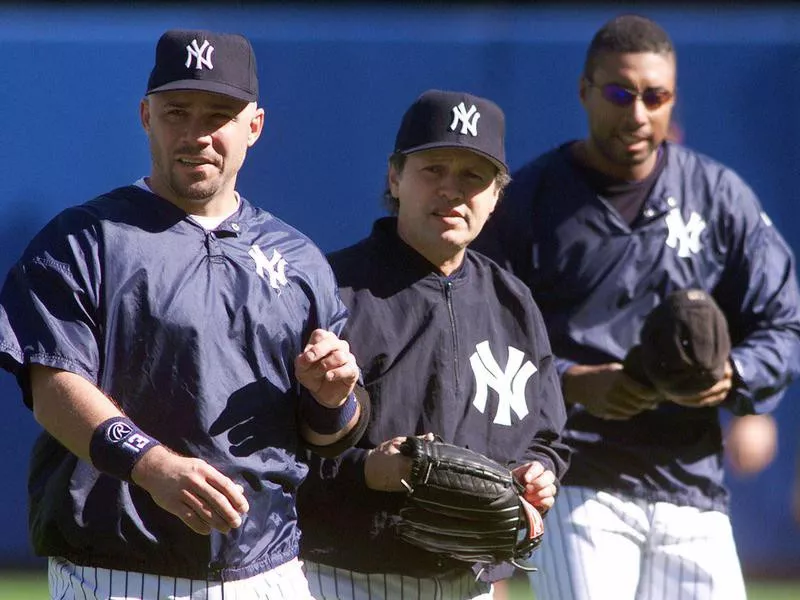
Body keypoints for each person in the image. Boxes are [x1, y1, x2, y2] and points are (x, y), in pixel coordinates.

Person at [0, 29, 369, 600]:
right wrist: (150, 465)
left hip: (269, 567)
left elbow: (328, 433)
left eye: (218, 114)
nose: (196, 134)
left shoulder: (298, 259)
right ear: (146, 116)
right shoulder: (84, 240)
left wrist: (333, 399)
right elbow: (53, 386)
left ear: (255, 125)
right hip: (119, 569)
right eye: (178, 111)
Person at [473, 14, 800, 600]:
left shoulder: (719, 196)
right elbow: (480, 338)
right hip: (577, 479)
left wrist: (735, 376)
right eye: (620, 93)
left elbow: (785, 321)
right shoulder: (529, 201)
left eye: (656, 96)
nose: (639, 113)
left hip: (692, 484)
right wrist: (570, 382)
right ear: (585, 91)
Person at [296, 89, 571, 600]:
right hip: (339, 579)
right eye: (433, 169)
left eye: (473, 176)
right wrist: (362, 473)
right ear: (395, 178)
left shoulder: (513, 305)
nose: (452, 190)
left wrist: (540, 475)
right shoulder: (332, 289)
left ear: (496, 196)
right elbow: (269, 447)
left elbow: (547, 437)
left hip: (469, 585)